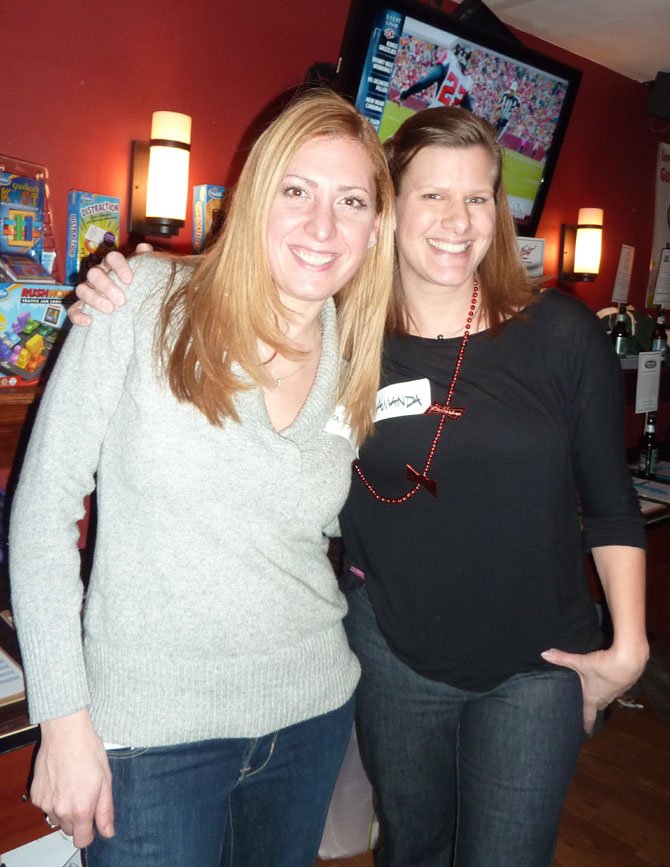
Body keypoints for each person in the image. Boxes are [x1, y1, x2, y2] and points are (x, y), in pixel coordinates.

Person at [72, 106, 649, 867]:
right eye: (432, 196)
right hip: (395, 653)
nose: (457, 219)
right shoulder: (337, 334)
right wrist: (141, 275)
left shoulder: (560, 333)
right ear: (389, 213)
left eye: (478, 198)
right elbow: (244, 285)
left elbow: (610, 499)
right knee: (409, 848)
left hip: (537, 661)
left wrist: (630, 646)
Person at [9, 88, 395, 867]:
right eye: (297, 190)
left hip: (309, 712)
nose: (323, 226)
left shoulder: (359, 363)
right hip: (149, 736)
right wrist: (63, 718)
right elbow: (45, 503)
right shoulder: (143, 301)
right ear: (255, 198)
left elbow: (316, 527)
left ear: (375, 227)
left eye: (350, 200)